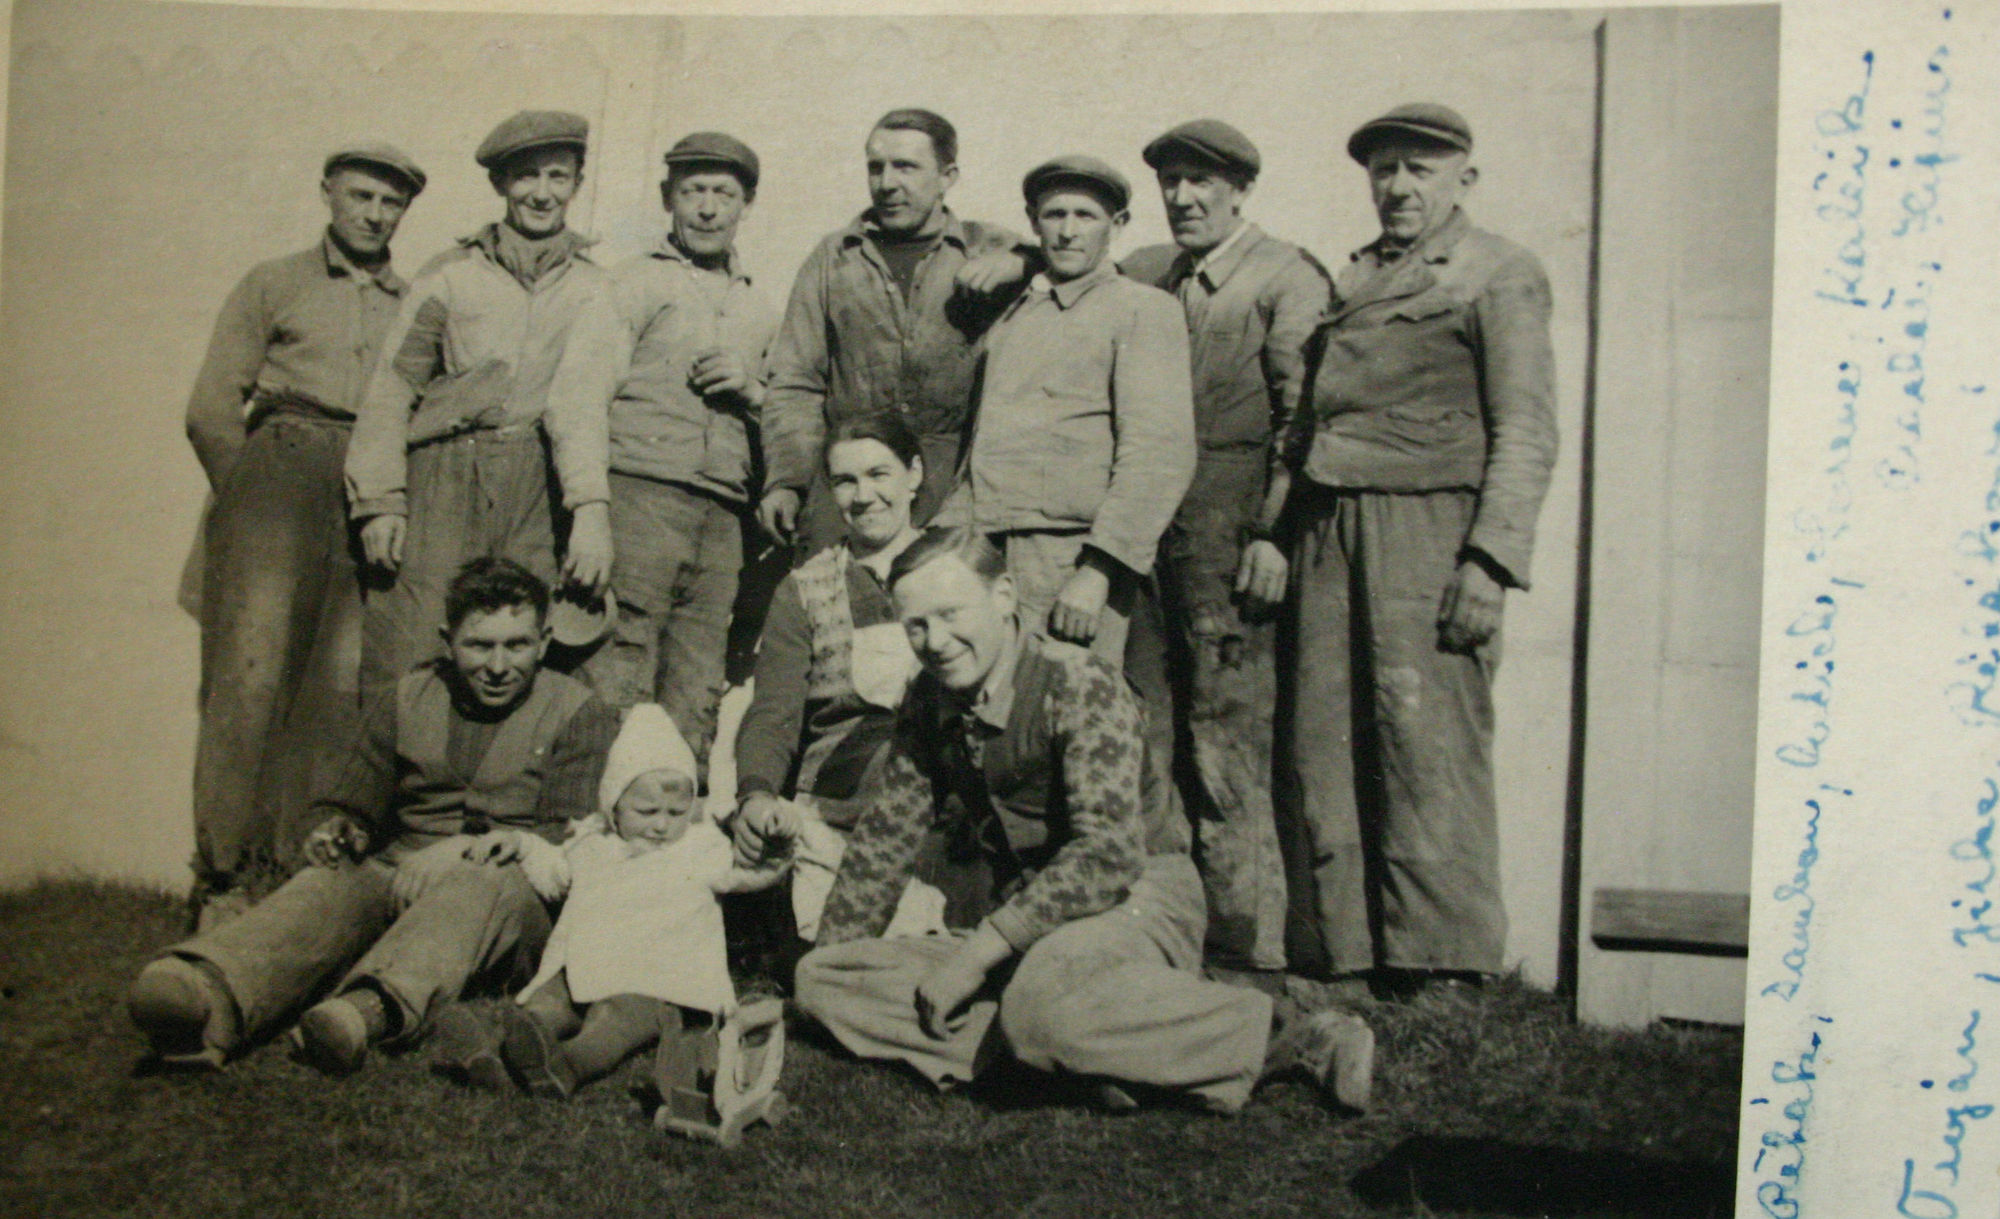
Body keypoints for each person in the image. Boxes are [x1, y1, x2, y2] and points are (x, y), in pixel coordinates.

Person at [793, 527, 1374, 1115]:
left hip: (1133, 897)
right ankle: (1074, 1053)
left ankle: (1291, 1034)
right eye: (916, 625)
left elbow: (1108, 855)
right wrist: (825, 963)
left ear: (1003, 596)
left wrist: (975, 956)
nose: (936, 641)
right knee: (822, 980)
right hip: (1028, 920)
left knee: (1041, 1006)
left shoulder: (1077, 681)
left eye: (950, 614)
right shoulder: (930, 696)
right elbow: (884, 841)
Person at [1268, 104, 1558, 991]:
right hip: (1329, 525)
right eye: (1384, 169)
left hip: (1428, 527)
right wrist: (1277, 531)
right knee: (1326, 739)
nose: (1397, 186)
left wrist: (1490, 560)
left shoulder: (1496, 271)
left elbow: (1526, 428)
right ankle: (1349, 956)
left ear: (1464, 178)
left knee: (1425, 739)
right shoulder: (1355, 275)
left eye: (1418, 170)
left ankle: (1446, 966)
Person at [126, 558, 619, 1073]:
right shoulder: (405, 697)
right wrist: (339, 828)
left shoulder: (578, 711)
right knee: (335, 879)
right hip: (406, 872)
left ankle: (365, 1012)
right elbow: (351, 798)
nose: (498, 666)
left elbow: (570, 837)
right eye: (479, 645)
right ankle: (208, 990)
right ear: (448, 641)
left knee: (483, 884)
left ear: (543, 642)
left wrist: (466, 851)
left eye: (517, 645)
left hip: (512, 898)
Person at [181, 143, 427, 925]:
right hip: (278, 470)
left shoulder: (416, 301)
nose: (374, 214)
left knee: (339, 687)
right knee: (248, 677)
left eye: (390, 202)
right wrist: (249, 500)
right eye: (360, 196)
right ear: (328, 193)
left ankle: (291, 878)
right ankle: (222, 878)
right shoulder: (274, 282)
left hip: (365, 483)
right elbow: (210, 409)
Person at [1119, 120, 1332, 985]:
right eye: (1170, 181)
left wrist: (1275, 533)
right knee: (1149, 729)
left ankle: (1248, 945)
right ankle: (1166, 932)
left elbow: (1303, 418)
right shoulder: (1153, 274)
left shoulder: (1284, 277)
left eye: (1202, 181)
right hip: (1152, 531)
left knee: (1226, 739)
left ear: (1242, 189)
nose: (1183, 197)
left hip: (1233, 531)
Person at [346, 109, 621, 697]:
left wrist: (590, 509)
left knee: (521, 651)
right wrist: (379, 500)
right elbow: (393, 389)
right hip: (444, 477)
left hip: (536, 485)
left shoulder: (594, 289)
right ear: (500, 183)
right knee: (414, 641)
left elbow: (581, 405)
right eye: (526, 176)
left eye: (558, 176)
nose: (542, 193)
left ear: (577, 183)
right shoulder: (450, 275)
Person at [433, 704, 782, 1100]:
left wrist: (776, 849)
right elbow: (555, 872)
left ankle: (568, 1064)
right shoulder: (593, 844)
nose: (662, 824)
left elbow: (751, 874)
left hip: (658, 980)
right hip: (588, 963)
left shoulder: (701, 847)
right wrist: (520, 844)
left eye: (676, 812)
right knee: (552, 998)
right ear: (614, 804)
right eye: (647, 811)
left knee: (615, 1019)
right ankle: (501, 1049)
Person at [937, 156, 1195, 667]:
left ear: (1117, 224)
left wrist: (1098, 572)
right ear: (1033, 222)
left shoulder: (1143, 309)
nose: (1068, 231)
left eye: (1086, 216)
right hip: (989, 548)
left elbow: (1159, 456)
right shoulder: (1015, 314)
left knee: (1070, 699)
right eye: (1055, 215)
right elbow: (982, 448)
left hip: (1071, 559)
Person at [582, 132, 779, 775]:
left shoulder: (759, 307)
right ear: (669, 197)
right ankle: (600, 814)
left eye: (724, 193)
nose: (708, 208)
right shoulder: (633, 283)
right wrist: (589, 509)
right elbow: (579, 399)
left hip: (723, 517)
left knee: (698, 676)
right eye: (693, 191)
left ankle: (677, 817)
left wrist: (752, 390)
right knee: (621, 659)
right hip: (639, 497)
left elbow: (788, 416)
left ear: (747, 204)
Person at [759, 108, 1030, 554]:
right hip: (850, 484)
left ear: (947, 177)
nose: (886, 183)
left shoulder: (986, 247)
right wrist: (787, 481)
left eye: (906, 167)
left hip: (953, 484)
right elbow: (795, 380)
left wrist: (1025, 262)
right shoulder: (833, 258)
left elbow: (1073, 262)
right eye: (876, 167)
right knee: (837, 594)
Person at [731, 413, 954, 943]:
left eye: (879, 474)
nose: (864, 496)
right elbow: (774, 712)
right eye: (845, 481)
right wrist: (755, 795)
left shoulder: (957, 563)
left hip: (947, 798)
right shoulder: (804, 588)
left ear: (914, 475)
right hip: (841, 803)